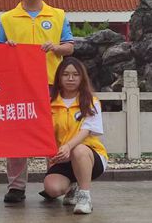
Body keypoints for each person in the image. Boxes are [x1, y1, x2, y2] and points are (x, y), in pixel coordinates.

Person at [0, 0, 74, 203]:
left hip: (50, 84)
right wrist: (6, 47)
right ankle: (16, 187)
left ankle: (55, 181)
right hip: (17, 85)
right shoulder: (7, 18)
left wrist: (56, 48)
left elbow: (70, 46)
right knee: (17, 135)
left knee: (54, 133)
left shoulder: (58, 15)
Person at [40, 57, 107, 214]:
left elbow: (86, 130)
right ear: (58, 77)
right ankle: (73, 187)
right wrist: (52, 156)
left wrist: (68, 147)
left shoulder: (91, 101)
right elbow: (45, 133)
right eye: (66, 74)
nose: (70, 78)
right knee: (52, 188)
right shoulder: (49, 102)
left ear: (82, 77)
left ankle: (84, 196)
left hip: (89, 156)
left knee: (79, 150)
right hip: (62, 157)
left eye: (75, 74)